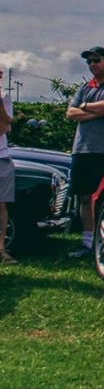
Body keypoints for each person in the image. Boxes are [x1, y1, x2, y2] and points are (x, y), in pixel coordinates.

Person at [66, 46, 104, 258]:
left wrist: (85, 106)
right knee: (85, 197)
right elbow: (71, 113)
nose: (93, 65)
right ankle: (86, 242)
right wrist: (95, 110)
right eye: (89, 62)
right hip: (83, 149)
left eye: (96, 60)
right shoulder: (85, 87)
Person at [0, 67, 17, 264]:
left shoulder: (4, 98)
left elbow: (5, 126)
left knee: (1, 204)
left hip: (2, 157)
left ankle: (1, 249)